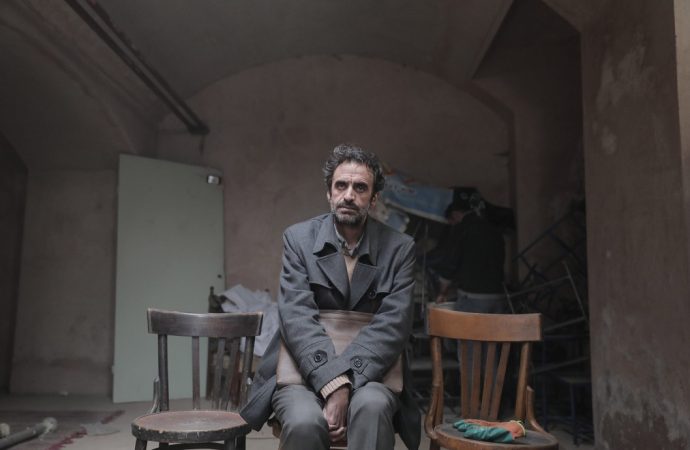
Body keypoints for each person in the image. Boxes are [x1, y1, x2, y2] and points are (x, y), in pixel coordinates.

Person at [240, 144, 420, 450]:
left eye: (360, 187)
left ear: (374, 198)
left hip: (372, 375)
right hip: (301, 372)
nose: (349, 195)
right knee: (304, 421)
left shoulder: (400, 248)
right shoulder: (298, 239)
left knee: (373, 408)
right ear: (329, 193)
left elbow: (394, 325)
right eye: (341, 185)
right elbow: (296, 317)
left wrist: (345, 382)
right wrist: (333, 382)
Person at [432, 190, 507, 313]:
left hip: (473, 296)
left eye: (451, 221)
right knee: (493, 326)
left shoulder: (461, 230)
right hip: (497, 295)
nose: (452, 225)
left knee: (465, 325)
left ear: (455, 214)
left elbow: (450, 263)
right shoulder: (493, 229)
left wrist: (442, 292)